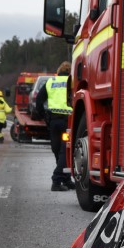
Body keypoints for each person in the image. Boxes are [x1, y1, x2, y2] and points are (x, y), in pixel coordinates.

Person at [36, 62, 75, 191]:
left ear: (58, 71)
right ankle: (57, 180)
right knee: (65, 151)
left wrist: (44, 117)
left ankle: (66, 179)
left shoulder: (50, 82)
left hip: (53, 121)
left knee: (57, 150)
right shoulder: (72, 81)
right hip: (68, 121)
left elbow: (39, 101)